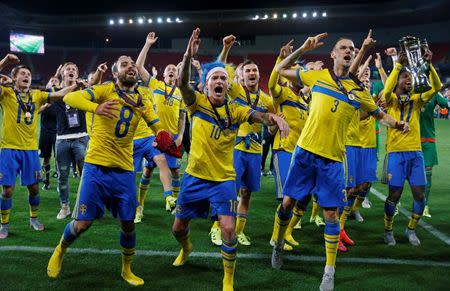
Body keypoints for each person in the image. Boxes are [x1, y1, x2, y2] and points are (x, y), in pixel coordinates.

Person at [269, 34, 408, 291]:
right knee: (288, 203)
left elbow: (380, 115)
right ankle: (278, 243)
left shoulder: (358, 91)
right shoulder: (317, 77)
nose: (348, 51)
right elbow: (280, 69)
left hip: (333, 160)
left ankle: (329, 270)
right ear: (332, 55)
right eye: (343, 48)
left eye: (352, 49)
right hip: (304, 154)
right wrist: (302, 48)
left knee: (331, 213)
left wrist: (398, 123)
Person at [172, 28, 288, 291]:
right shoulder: (196, 103)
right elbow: (181, 84)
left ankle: (228, 279)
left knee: (227, 229)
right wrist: (188, 56)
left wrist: (274, 118)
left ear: (228, 84)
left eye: (223, 77)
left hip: (223, 179)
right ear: (207, 84)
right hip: (195, 177)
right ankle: (186, 247)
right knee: (178, 229)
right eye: (215, 77)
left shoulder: (235, 110)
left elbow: (258, 116)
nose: (220, 81)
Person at [47, 55, 162, 286]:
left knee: (128, 223)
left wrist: (167, 139)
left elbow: (157, 127)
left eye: (132, 64)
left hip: (124, 171)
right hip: (96, 168)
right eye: (124, 64)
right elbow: (70, 96)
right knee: (82, 224)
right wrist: (96, 108)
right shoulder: (104, 89)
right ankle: (60, 249)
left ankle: (126, 269)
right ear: (116, 72)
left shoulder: (142, 99)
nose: (130, 67)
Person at [0, 53, 77, 239]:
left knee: (34, 187)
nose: (27, 76)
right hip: (9, 149)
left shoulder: (36, 95)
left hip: (30, 150)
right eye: (22, 74)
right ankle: (4, 225)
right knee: (7, 190)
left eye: (28, 73)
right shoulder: (6, 93)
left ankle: (33, 219)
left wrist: (75, 86)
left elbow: (58, 95)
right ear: (14, 77)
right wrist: (4, 62)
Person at [216, 35, 276, 246]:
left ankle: (239, 231)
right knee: (230, 191)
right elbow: (219, 68)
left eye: (254, 71)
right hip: (237, 147)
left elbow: (270, 127)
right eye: (247, 71)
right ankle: (217, 228)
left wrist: (277, 123)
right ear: (241, 76)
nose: (252, 73)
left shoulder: (267, 100)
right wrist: (226, 48)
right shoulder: (236, 90)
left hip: (256, 149)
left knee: (247, 193)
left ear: (259, 75)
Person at [382, 48, 442, 246]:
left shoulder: (417, 100)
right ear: (398, 80)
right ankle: (388, 230)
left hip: (416, 154)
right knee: (394, 194)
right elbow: (387, 89)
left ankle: (411, 229)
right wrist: (397, 65)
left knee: (420, 195)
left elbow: (436, 86)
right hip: (396, 154)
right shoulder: (390, 100)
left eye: (411, 77)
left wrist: (429, 65)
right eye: (405, 77)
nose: (409, 79)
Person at [136, 32, 186, 214]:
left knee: (175, 172)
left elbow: (183, 117)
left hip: (173, 138)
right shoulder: (156, 86)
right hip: (155, 136)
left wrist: (180, 135)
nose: (172, 70)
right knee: (148, 172)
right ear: (163, 74)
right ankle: (140, 206)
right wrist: (147, 44)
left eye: (174, 69)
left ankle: (174, 205)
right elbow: (139, 66)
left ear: (177, 73)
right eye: (168, 69)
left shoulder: (181, 93)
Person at [53, 62, 89, 219]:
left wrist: (86, 86)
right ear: (62, 73)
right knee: (62, 176)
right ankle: (65, 206)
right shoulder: (54, 91)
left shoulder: (83, 90)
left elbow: (96, 92)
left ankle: (84, 206)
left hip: (81, 137)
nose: (71, 71)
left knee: (86, 175)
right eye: (68, 69)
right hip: (62, 139)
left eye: (74, 69)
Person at [420, 91, 449, 217]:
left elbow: (446, 104)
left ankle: (424, 205)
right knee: (405, 173)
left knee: (428, 173)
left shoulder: (434, 93)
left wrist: (437, 92)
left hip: (428, 140)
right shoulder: (409, 90)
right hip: (410, 140)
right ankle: (396, 203)